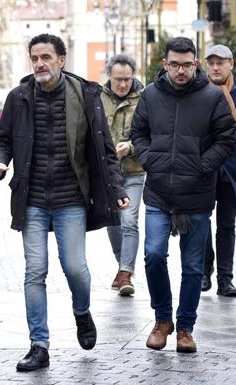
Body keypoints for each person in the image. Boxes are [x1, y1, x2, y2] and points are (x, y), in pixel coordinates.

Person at [0, 33, 129, 372]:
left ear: (62, 60)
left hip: (70, 199)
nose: (40, 63)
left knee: (76, 268)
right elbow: (2, 140)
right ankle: (39, 344)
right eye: (34, 57)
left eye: (46, 57)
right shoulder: (18, 97)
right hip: (31, 199)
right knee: (35, 271)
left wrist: (117, 187)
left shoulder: (85, 95)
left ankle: (82, 312)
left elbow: (105, 150)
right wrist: (0, 161)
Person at [130, 37, 236, 353]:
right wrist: (152, 160)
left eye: (186, 64)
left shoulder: (213, 97)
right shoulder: (150, 95)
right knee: (152, 255)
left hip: (197, 195)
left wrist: (202, 166)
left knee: (192, 267)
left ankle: (185, 328)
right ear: (165, 64)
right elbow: (138, 134)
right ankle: (162, 320)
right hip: (159, 194)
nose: (180, 70)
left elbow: (226, 140)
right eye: (174, 64)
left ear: (195, 64)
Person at [201, 45, 236, 297]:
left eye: (220, 62)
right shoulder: (198, 91)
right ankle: (205, 271)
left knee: (227, 225)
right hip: (203, 169)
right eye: (211, 62)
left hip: (232, 170)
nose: (215, 67)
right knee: (199, 222)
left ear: (231, 64)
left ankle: (225, 278)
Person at [101, 54, 144, 296]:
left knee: (129, 220)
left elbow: (149, 132)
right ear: (110, 77)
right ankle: (121, 267)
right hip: (108, 173)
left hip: (134, 171)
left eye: (127, 79)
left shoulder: (144, 98)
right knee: (113, 223)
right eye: (118, 79)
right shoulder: (98, 98)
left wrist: (132, 147)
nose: (123, 84)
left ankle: (126, 272)